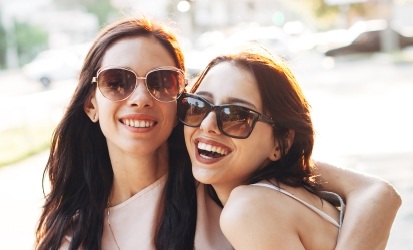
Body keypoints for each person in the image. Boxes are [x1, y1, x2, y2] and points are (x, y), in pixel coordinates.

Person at [35, 16, 401, 250]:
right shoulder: (73, 233)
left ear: (181, 97)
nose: (141, 99)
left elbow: (377, 194)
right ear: (91, 105)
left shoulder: (223, 172)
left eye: (162, 82)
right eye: (117, 83)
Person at [178, 46, 401, 249]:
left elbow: (380, 193)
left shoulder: (248, 209)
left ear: (281, 142)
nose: (207, 125)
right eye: (198, 106)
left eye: (237, 116)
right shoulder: (280, 195)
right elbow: (378, 192)